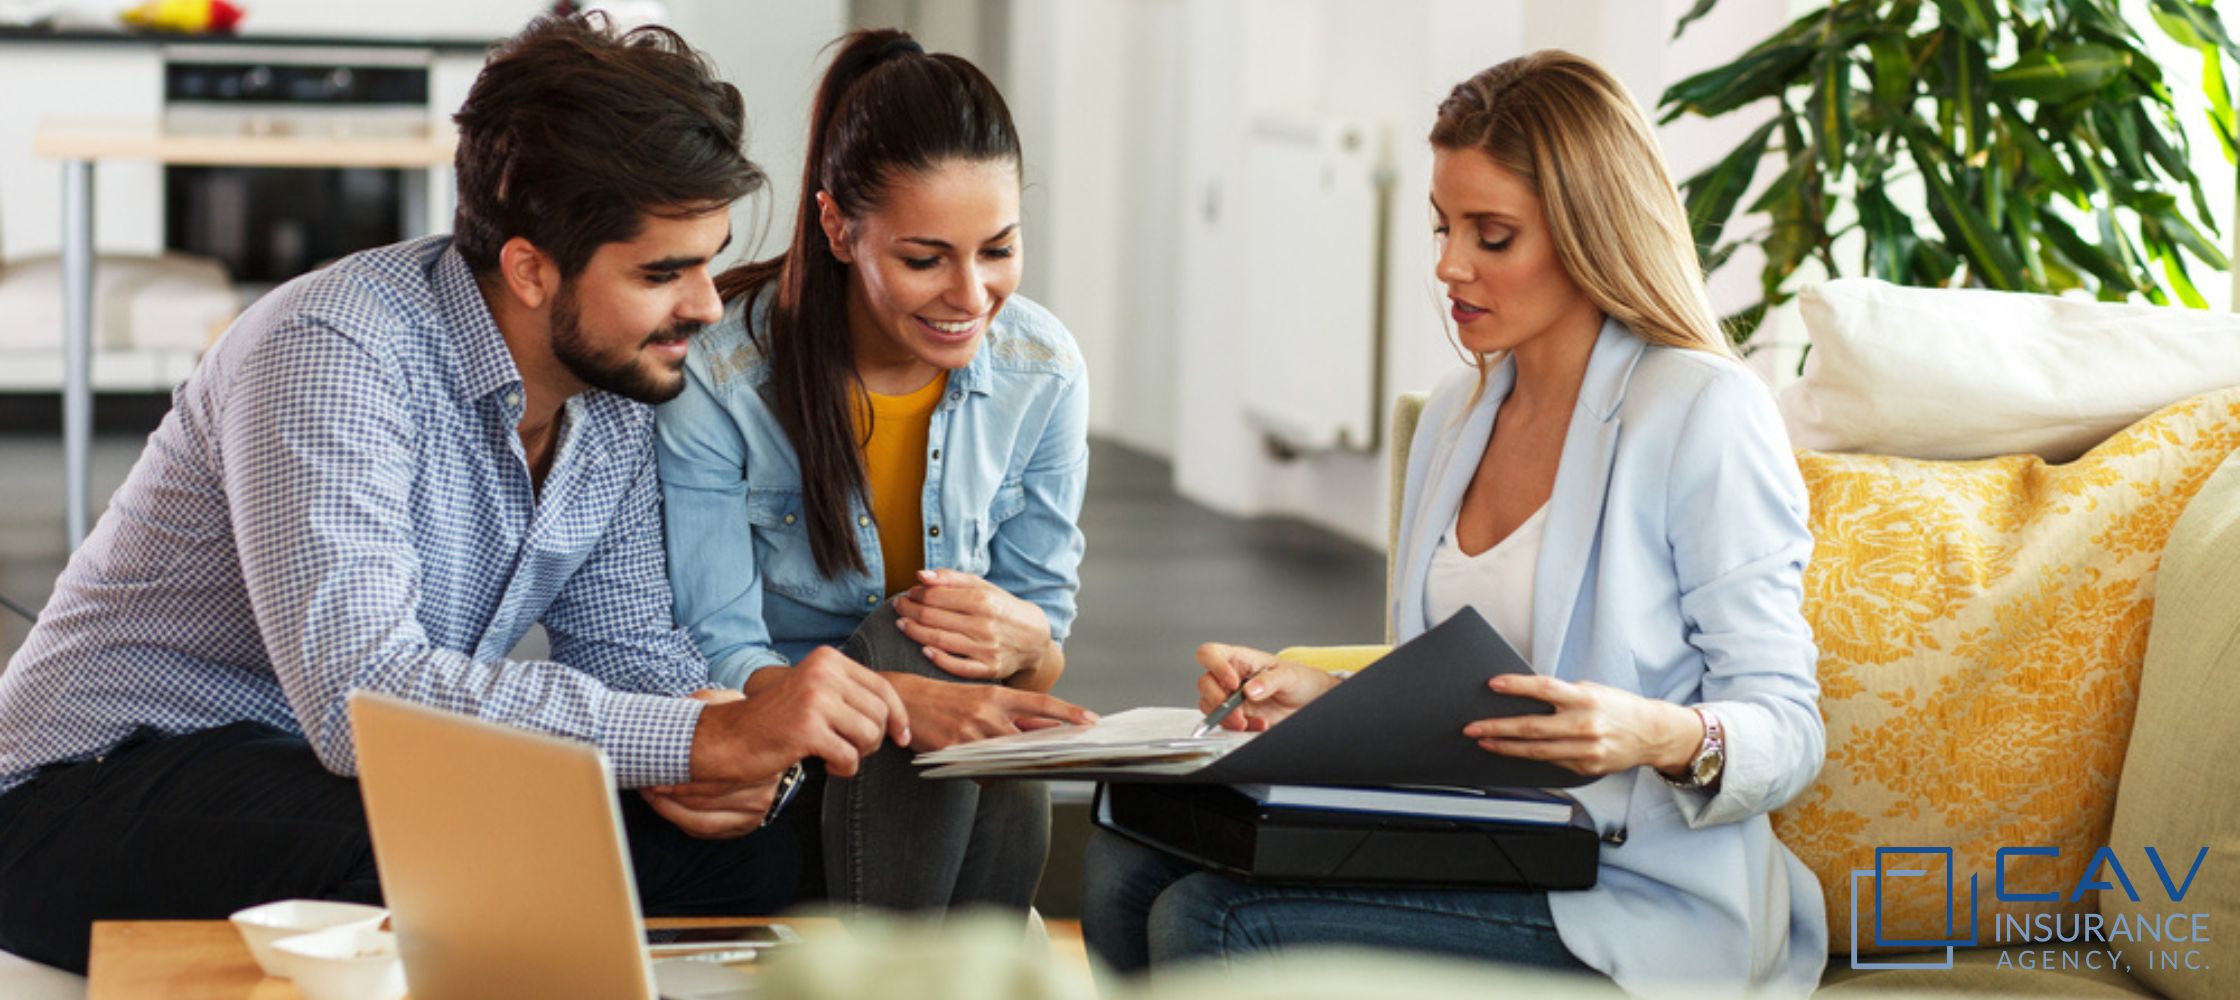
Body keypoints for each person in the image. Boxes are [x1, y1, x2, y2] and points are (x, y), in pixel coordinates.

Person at [0, 15, 908, 973]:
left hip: (324, 777)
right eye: (662, 273)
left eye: (706, 260)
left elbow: (629, 645)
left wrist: (726, 755)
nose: (706, 306)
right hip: (90, 789)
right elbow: (363, 695)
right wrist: (698, 735)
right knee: (495, 849)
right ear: (529, 268)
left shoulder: (613, 393)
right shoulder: (332, 352)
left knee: (746, 852)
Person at [1081, 50, 1829, 998]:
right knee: (1123, 860)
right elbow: (1459, 687)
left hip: (1628, 892)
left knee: (1209, 917)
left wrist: (1654, 735)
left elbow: (1790, 729)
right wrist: (1324, 697)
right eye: (1444, 226)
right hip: (1477, 848)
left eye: (1493, 235)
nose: (1447, 264)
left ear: (1589, 232)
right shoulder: (1454, 415)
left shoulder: (1701, 413)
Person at [657, 28, 1094, 916]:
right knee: (915, 641)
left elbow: (1040, 649)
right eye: (924, 259)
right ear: (837, 227)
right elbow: (718, 650)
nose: (971, 296)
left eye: (999, 250)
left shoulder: (1044, 369)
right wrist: (903, 696)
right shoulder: (722, 373)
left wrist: (1028, 645)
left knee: (970, 659)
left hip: (947, 777)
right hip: (787, 762)